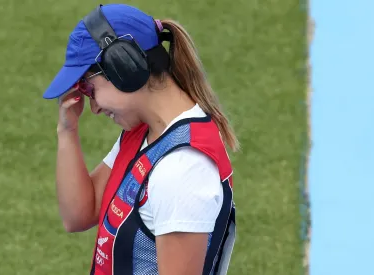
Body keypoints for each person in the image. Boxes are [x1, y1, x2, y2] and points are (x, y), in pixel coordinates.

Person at [43, 4, 239, 275]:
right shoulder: (143, 134)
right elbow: (79, 215)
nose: (95, 108)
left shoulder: (182, 169)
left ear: (124, 65)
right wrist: (67, 130)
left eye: (90, 88)